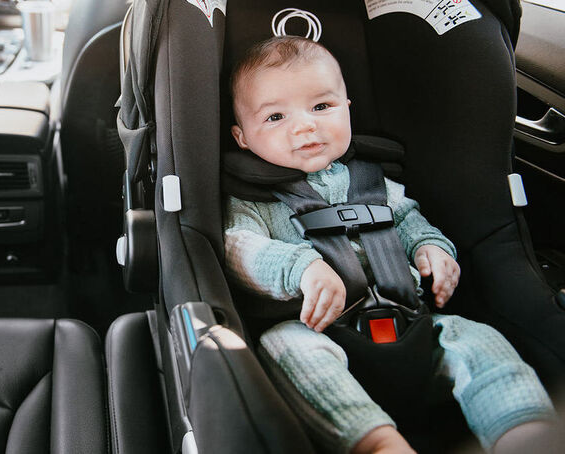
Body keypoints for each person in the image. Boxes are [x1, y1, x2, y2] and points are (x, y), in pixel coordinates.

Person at [224, 35, 557, 454]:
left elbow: (407, 220)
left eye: (321, 106)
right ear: (242, 137)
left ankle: (521, 430)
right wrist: (300, 268)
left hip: (411, 321)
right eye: (275, 117)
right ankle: (378, 443)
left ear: (347, 108)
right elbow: (238, 248)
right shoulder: (250, 198)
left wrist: (432, 249)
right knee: (283, 348)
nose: (305, 125)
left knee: (477, 341)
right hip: (316, 329)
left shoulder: (372, 179)